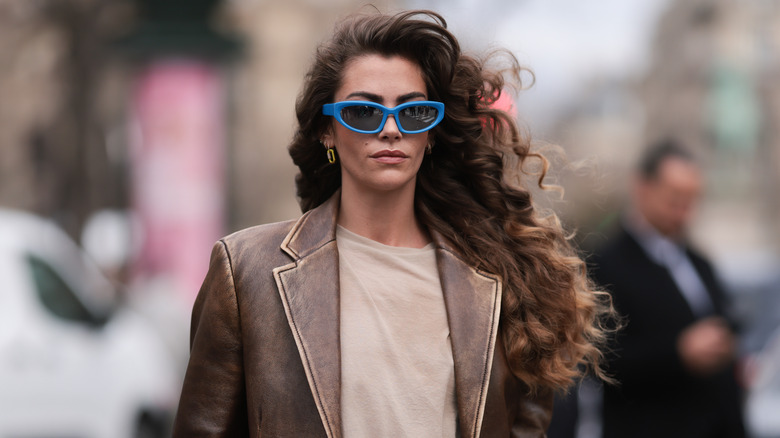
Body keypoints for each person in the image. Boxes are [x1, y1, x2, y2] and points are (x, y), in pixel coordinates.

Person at [172, 9, 612, 437]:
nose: (389, 129)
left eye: (413, 112)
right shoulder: (247, 271)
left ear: (432, 132)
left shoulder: (496, 277)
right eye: (363, 112)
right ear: (328, 129)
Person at [590, 140, 745, 438]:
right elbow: (603, 360)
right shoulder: (606, 263)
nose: (684, 212)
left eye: (691, 200)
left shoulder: (699, 261)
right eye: (675, 198)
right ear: (642, 187)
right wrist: (678, 353)